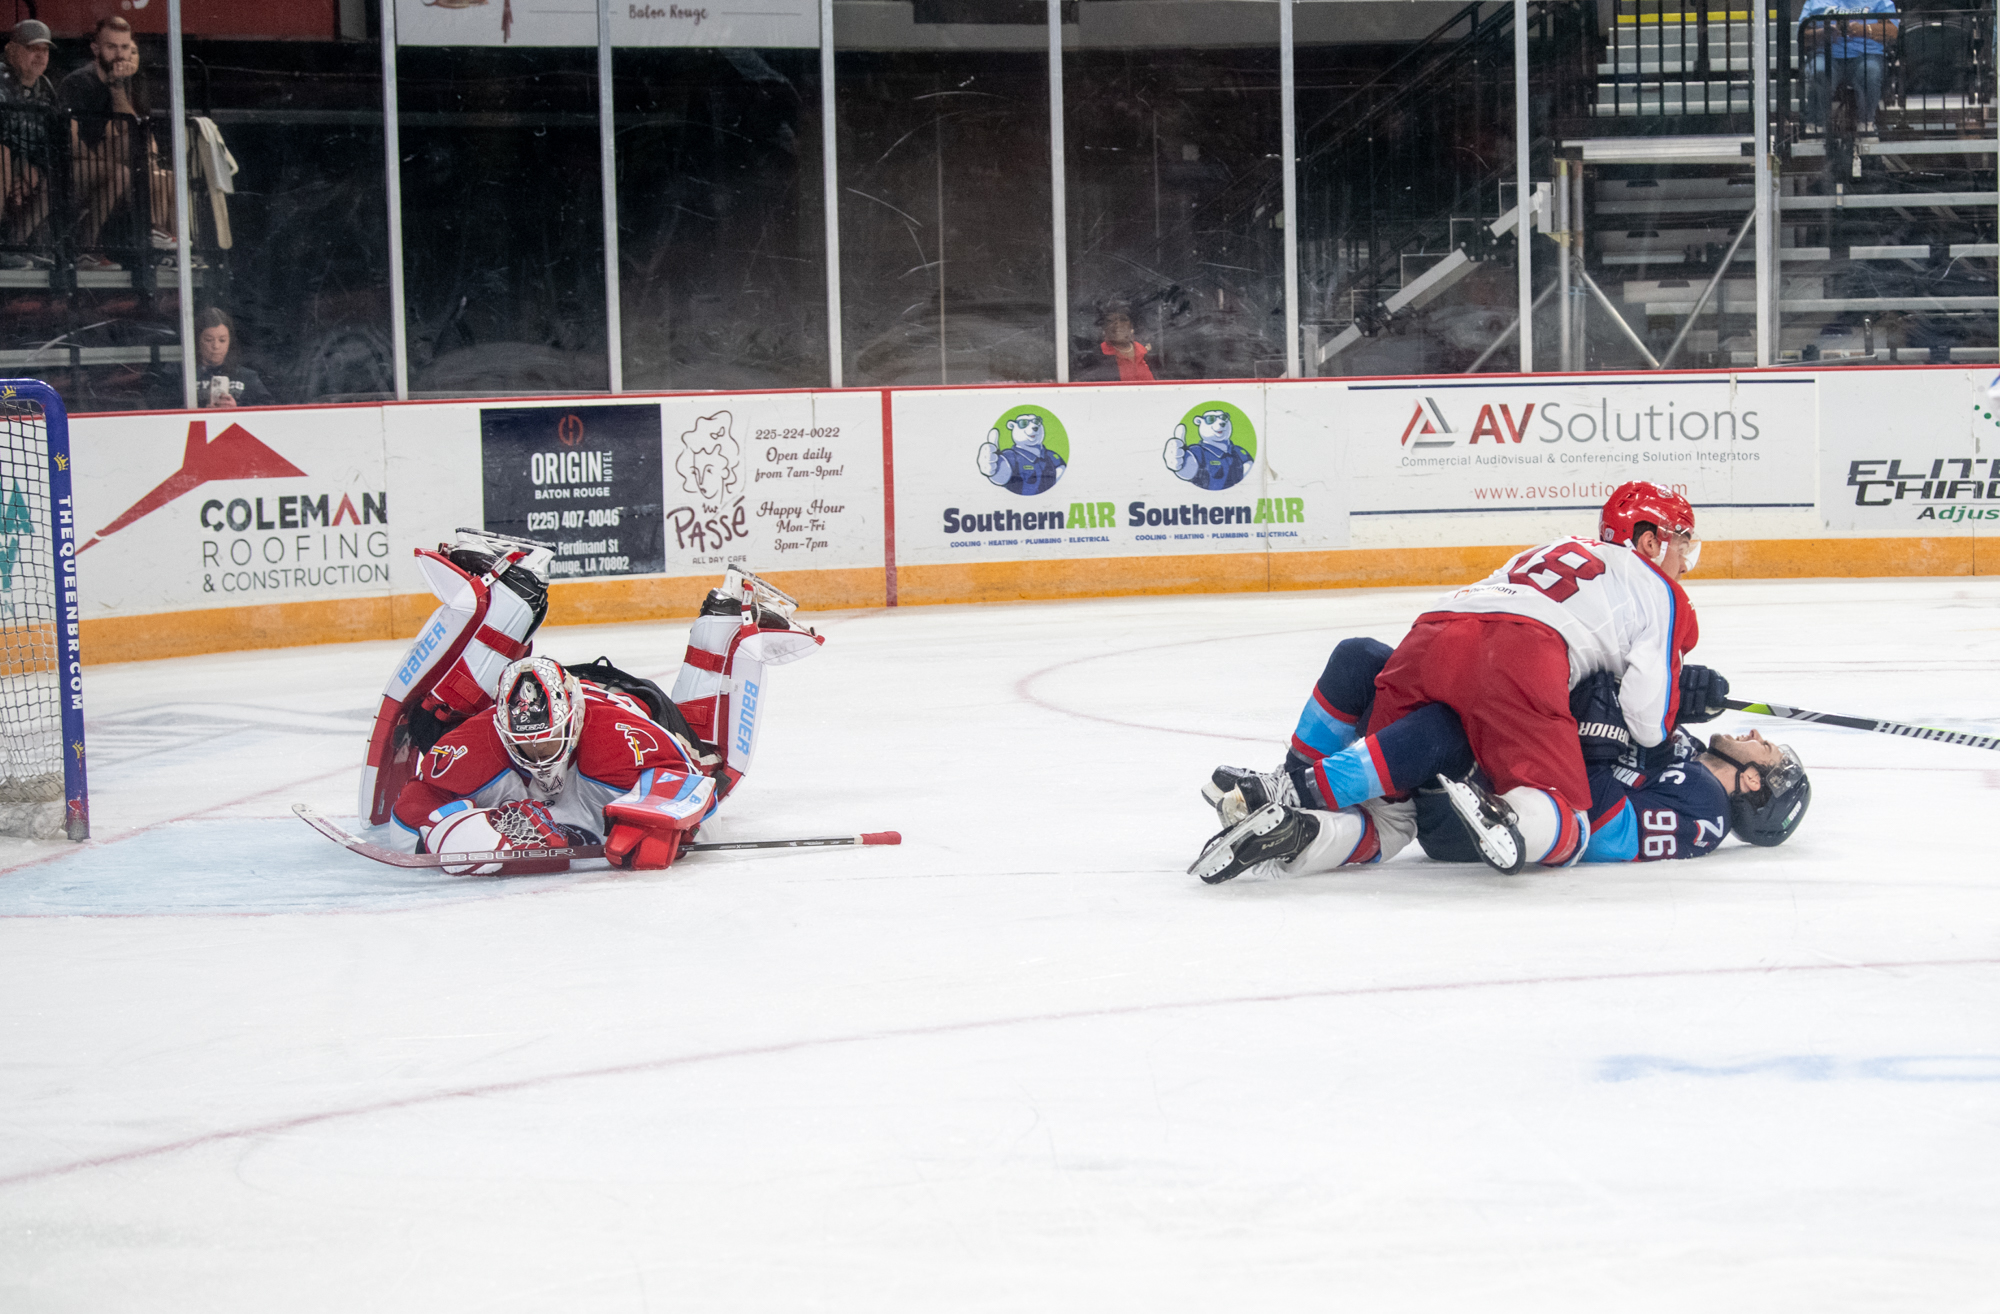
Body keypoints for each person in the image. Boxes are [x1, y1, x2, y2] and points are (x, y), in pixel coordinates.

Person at [1191, 481, 1708, 882]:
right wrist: (1679, 695)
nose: (1686, 559)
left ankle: (1290, 802)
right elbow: (1646, 723)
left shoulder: (1557, 547)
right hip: (1519, 655)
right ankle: (1505, 815)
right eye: (1682, 544)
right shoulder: (1662, 591)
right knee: (1570, 823)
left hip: (1432, 633)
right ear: (1649, 540)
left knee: (1390, 818)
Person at [1189, 636, 1806, 883]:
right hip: (1493, 766)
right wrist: (1669, 689)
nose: (1760, 737)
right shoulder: (1685, 752)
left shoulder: (1703, 812)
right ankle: (1295, 812)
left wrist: (1599, 739)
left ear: (1753, 781)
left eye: (1770, 751)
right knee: (1363, 659)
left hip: (1488, 818)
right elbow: (1612, 708)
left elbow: (1597, 821)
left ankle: (1299, 792)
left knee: (1446, 726)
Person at [374, 559, 823, 873]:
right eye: (525, 744)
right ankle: (512, 595)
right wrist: (448, 828)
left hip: (627, 699)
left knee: (716, 763)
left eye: (548, 741)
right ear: (501, 728)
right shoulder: (478, 742)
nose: (537, 754)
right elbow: (411, 809)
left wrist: (660, 827)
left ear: (572, 726)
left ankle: (730, 620)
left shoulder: (618, 740)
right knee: (432, 722)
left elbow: (699, 793)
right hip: (544, 697)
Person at [57, 16, 175, 271]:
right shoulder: (79, 82)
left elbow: (131, 129)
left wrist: (117, 88)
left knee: (167, 178)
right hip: (80, 164)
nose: (119, 55)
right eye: (112, 47)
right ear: (96, 48)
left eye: (124, 47)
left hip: (114, 162)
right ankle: (85, 248)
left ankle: (169, 250)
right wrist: (105, 159)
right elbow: (70, 138)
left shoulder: (126, 81)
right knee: (123, 171)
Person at [0, 20, 56, 265]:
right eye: (33, 49)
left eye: (45, 50)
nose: (40, 56)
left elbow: (54, 138)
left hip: (22, 164)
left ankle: (17, 244)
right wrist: (19, 167)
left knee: (59, 172)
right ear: (12, 50)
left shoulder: (45, 87)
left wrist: (34, 168)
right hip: (4, 159)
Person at [1798, 0, 1899, 133]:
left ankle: (1866, 124)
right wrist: (1823, 33)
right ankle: (1815, 126)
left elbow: (1893, 30)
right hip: (1826, 53)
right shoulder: (1815, 1)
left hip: (1866, 53)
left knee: (1871, 72)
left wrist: (1863, 30)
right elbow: (1801, 33)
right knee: (1819, 71)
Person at [194, 308, 274, 408]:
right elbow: (171, 409)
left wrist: (237, 408)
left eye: (222, 340)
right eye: (208, 340)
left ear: (230, 342)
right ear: (197, 340)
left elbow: (268, 411)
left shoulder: (247, 376)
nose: (216, 346)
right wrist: (202, 410)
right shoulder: (185, 376)